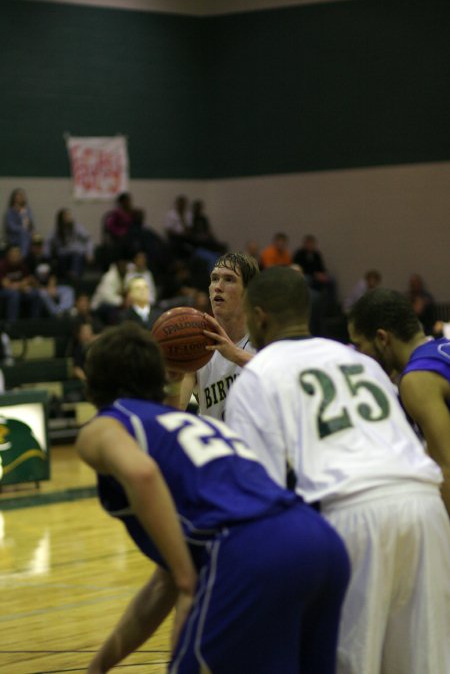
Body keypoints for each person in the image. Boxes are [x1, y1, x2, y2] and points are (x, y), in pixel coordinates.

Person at [75, 321, 350, 674]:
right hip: (318, 539)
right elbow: (164, 585)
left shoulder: (107, 425)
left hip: (250, 550)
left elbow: (141, 473)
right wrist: (98, 667)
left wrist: (188, 581)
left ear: (92, 385)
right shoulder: (204, 425)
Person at [225, 266, 450, 674]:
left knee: (351, 661)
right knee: (425, 663)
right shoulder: (358, 361)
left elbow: (263, 498)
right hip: (424, 506)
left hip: (352, 512)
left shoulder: (257, 377)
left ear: (259, 316)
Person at [348, 287, 450, 517]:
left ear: (382, 338)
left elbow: (447, 467)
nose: (359, 354)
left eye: (359, 345)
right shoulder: (441, 348)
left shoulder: (417, 378)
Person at [172, 252, 259, 419]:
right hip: (218, 444)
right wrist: (173, 379)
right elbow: (173, 414)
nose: (218, 287)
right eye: (214, 279)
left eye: (229, 279)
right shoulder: (198, 344)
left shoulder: (267, 339)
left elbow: (286, 378)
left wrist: (235, 355)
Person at [46, 208, 94, 280]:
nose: (70, 217)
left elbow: (88, 238)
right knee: (61, 259)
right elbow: (48, 241)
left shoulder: (77, 227)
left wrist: (89, 253)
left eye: (70, 215)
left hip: (76, 254)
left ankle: (74, 275)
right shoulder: (57, 230)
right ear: (61, 218)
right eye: (67, 215)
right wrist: (46, 255)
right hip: (63, 255)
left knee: (77, 256)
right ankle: (65, 276)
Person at [0, 245, 42, 320]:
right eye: (14, 254)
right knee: (14, 295)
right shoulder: (2, 265)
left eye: (18, 254)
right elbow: (6, 285)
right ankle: (12, 323)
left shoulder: (22, 265)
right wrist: (21, 286)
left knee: (35, 293)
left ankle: (34, 322)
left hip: (19, 290)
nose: (16, 256)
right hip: (3, 291)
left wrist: (22, 285)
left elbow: (29, 279)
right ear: (8, 255)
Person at [4, 188, 35, 256]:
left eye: (21, 196)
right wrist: (21, 229)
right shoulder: (10, 211)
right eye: (17, 196)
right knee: (23, 233)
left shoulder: (27, 210)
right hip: (15, 236)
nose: (19, 198)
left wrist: (22, 213)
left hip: (27, 234)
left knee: (33, 236)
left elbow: (30, 224)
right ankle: (23, 256)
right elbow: (11, 226)